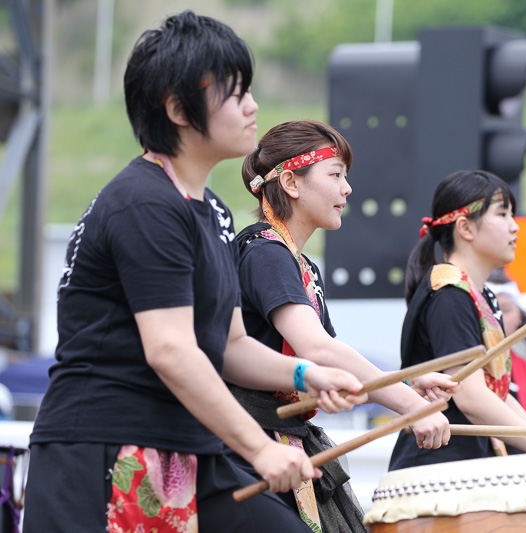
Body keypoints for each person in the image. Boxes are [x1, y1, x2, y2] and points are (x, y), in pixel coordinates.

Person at [23, 12, 367, 533]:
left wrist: (305, 374)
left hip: (185, 445)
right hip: (104, 448)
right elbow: (170, 350)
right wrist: (259, 448)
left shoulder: (212, 212)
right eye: (235, 94)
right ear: (179, 109)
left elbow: (231, 347)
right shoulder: (143, 203)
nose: (252, 106)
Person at [230, 119, 458, 531]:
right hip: (249, 443)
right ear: (291, 183)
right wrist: (410, 405)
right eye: (335, 175)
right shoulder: (265, 251)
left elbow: (332, 366)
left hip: (281, 438)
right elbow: (318, 349)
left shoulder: (301, 264)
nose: (347, 189)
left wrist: (406, 384)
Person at [389, 170, 526, 471]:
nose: (515, 226)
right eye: (503, 214)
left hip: (464, 466)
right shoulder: (449, 296)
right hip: (437, 471)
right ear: (465, 228)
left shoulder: (478, 295)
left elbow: (498, 394)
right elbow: (471, 397)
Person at [486, 271, 526, 414]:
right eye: (489, 309)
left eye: (505, 310)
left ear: (519, 316)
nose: (498, 317)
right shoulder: (460, 369)